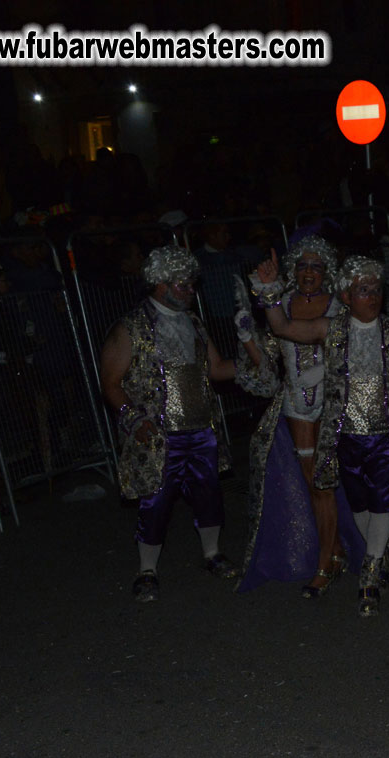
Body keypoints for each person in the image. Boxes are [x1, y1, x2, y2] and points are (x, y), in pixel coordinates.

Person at [252, 254, 389, 617]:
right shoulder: (332, 328)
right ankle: (377, 558)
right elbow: (283, 328)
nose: (370, 297)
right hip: (345, 436)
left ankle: (369, 576)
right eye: (361, 290)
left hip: (388, 435)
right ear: (346, 295)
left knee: (384, 502)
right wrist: (269, 290)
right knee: (360, 508)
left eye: (375, 289)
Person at [98, 245, 241, 603]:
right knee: (156, 504)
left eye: (192, 284)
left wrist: (259, 361)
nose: (192, 291)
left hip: (200, 428)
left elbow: (217, 368)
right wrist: (135, 420)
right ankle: (146, 570)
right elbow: (110, 382)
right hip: (159, 435)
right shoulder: (130, 327)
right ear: (161, 284)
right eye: (184, 285)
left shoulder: (193, 322)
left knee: (209, 496)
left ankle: (212, 554)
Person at [244, 235, 347, 599]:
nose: (308, 273)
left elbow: (351, 355)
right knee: (313, 481)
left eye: (316, 266)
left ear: (327, 272)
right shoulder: (283, 303)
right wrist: (247, 338)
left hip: (337, 403)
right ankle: (329, 555)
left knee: (331, 481)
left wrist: (324, 373)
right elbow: (269, 355)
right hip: (297, 406)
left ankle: (332, 556)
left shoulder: (340, 306)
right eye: (302, 266)